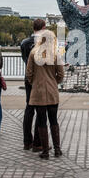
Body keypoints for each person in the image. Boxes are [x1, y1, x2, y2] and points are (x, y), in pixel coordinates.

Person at [26, 30, 64, 160]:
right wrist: (54, 82)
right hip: (52, 92)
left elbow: (29, 74)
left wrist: (35, 83)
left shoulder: (33, 54)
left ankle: (45, 151)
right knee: (54, 120)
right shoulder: (56, 54)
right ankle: (57, 149)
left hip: (38, 91)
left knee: (42, 121)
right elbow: (61, 74)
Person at [20, 19, 46, 151]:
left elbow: (26, 61)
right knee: (40, 110)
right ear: (44, 27)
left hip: (28, 78)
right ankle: (38, 142)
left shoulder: (24, 43)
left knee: (29, 109)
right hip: (40, 80)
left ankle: (27, 141)